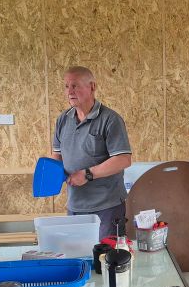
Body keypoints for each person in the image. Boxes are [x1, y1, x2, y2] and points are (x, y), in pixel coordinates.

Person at [51, 66, 133, 240]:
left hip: (107, 208)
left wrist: (87, 174)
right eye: (66, 86)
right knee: (78, 256)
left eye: (75, 86)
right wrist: (51, 176)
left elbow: (123, 159)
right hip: (75, 206)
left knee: (106, 260)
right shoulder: (63, 120)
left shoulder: (111, 120)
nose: (69, 92)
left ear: (92, 87)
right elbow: (57, 155)